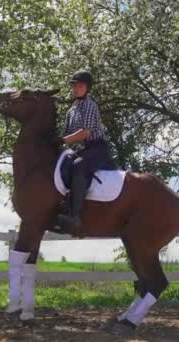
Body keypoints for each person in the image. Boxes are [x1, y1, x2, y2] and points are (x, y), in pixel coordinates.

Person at [57, 70, 116, 232]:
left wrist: (61, 140)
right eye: (74, 85)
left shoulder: (90, 106)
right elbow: (66, 134)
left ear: (87, 88)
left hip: (97, 148)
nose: (76, 88)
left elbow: (85, 133)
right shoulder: (72, 110)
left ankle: (74, 216)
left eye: (80, 86)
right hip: (82, 149)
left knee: (79, 166)